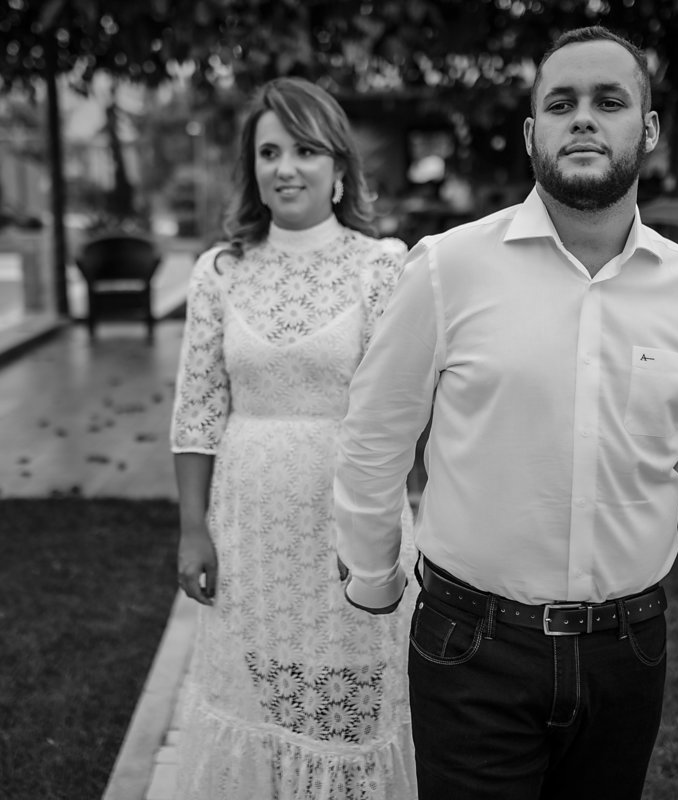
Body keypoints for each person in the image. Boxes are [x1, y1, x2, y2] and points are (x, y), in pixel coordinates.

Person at [334, 25, 678, 800]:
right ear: (530, 133)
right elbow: (377, 435)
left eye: (609, 102)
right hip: (470, 647)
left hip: (628, 652)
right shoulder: (448, 270)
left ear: (646, 130)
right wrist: (374, 574)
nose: (583, 118)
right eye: (561, 102)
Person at [170, 77, 418, 800]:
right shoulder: (219, 273)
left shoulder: (382, 266)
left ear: (339, 168)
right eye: (269, 151)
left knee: (349, 690)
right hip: (249, 520)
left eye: (305, 150)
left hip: (349, 516)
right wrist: (193, 529)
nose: (285, 167)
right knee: (264, 681)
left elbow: (403, 408)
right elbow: (198, 411)